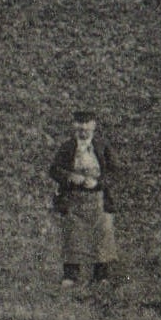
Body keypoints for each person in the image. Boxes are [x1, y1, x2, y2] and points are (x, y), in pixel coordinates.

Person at [49, 110, 118, 286]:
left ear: (94, 126)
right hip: (74, 199)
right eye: (80, 126)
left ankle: (101, 275)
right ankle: (71, 275)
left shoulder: (102, 146)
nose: (83, 130)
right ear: (74, 126)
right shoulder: (67, 147)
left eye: (87, 126)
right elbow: (55, 170)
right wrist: (70, 177)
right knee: (73, 236)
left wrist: (98, 183)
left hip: (98, 199)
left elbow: (114, 172)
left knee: (101, 236)